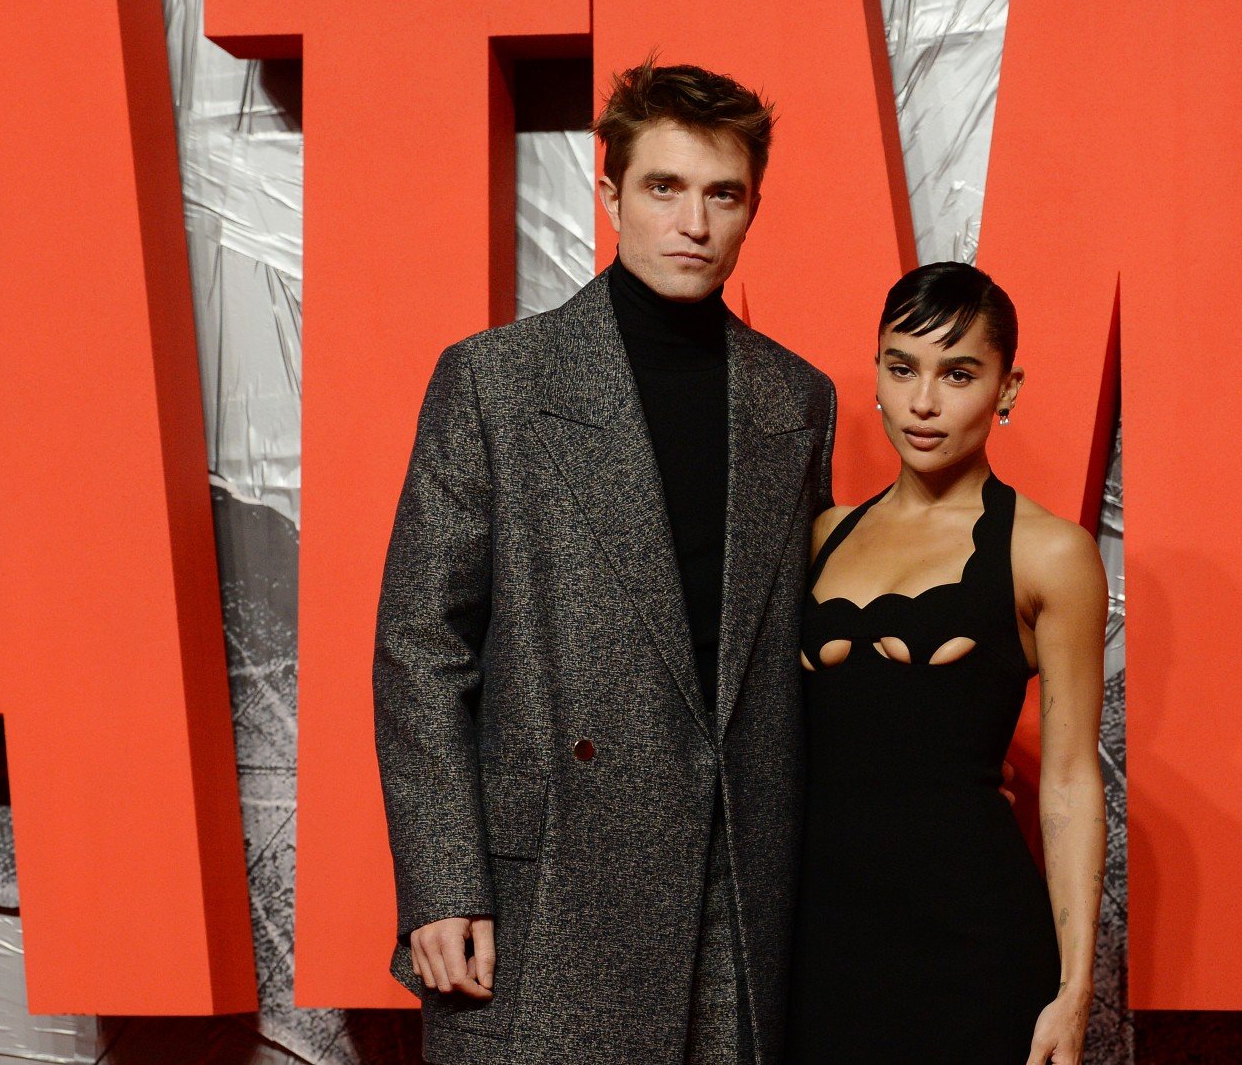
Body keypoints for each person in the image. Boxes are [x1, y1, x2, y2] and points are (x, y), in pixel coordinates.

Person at [370, 57, 836, 1065]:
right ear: (611, 189)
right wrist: (443, 878)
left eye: (724, 194)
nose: (694, 223)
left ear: (754, 207)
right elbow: (419, 642)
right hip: (547, 896)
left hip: (736, 899)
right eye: (665, 188)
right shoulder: (496, 380)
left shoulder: (794, 400)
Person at [784, 262, 1109, 1065]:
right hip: (815, 951)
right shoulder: (821, 535)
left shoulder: (1049, 553)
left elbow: (1069, 779)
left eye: (958, 374)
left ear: (1007, 388)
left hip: (974, 951)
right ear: (879, 376)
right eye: (903, 369)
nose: (923, 402)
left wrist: (1074, 993)